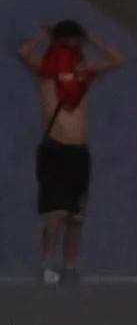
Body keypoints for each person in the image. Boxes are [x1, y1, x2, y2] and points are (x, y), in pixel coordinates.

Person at [20, 23, 121, 281]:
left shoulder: (82, 75)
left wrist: (92, 38)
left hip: (79, 149)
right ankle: (47, 263)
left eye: (75, 45)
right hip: (56, 146)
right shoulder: (47, 75)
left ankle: (70, 265)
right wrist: (44, 36)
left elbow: (117, 59)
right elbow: (24, 53)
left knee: (77, 214)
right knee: (55, 211)